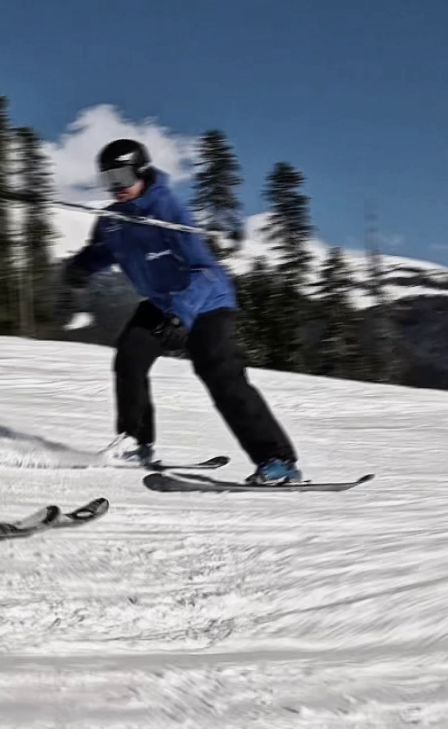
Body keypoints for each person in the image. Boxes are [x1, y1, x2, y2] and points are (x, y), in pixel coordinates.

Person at [59, 138, 305, 485]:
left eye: (124, 176)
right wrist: (81, 266)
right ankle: (136, 443)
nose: (117, 187)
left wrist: (182, 314)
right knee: (129, 359)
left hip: (207, 303)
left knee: (220, 375)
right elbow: (103, 252)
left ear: (142, 172)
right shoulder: (112, 221)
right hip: (161, 303)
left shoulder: (167, 210)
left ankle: (278, 461)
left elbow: (203, 270)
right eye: (108, 180)